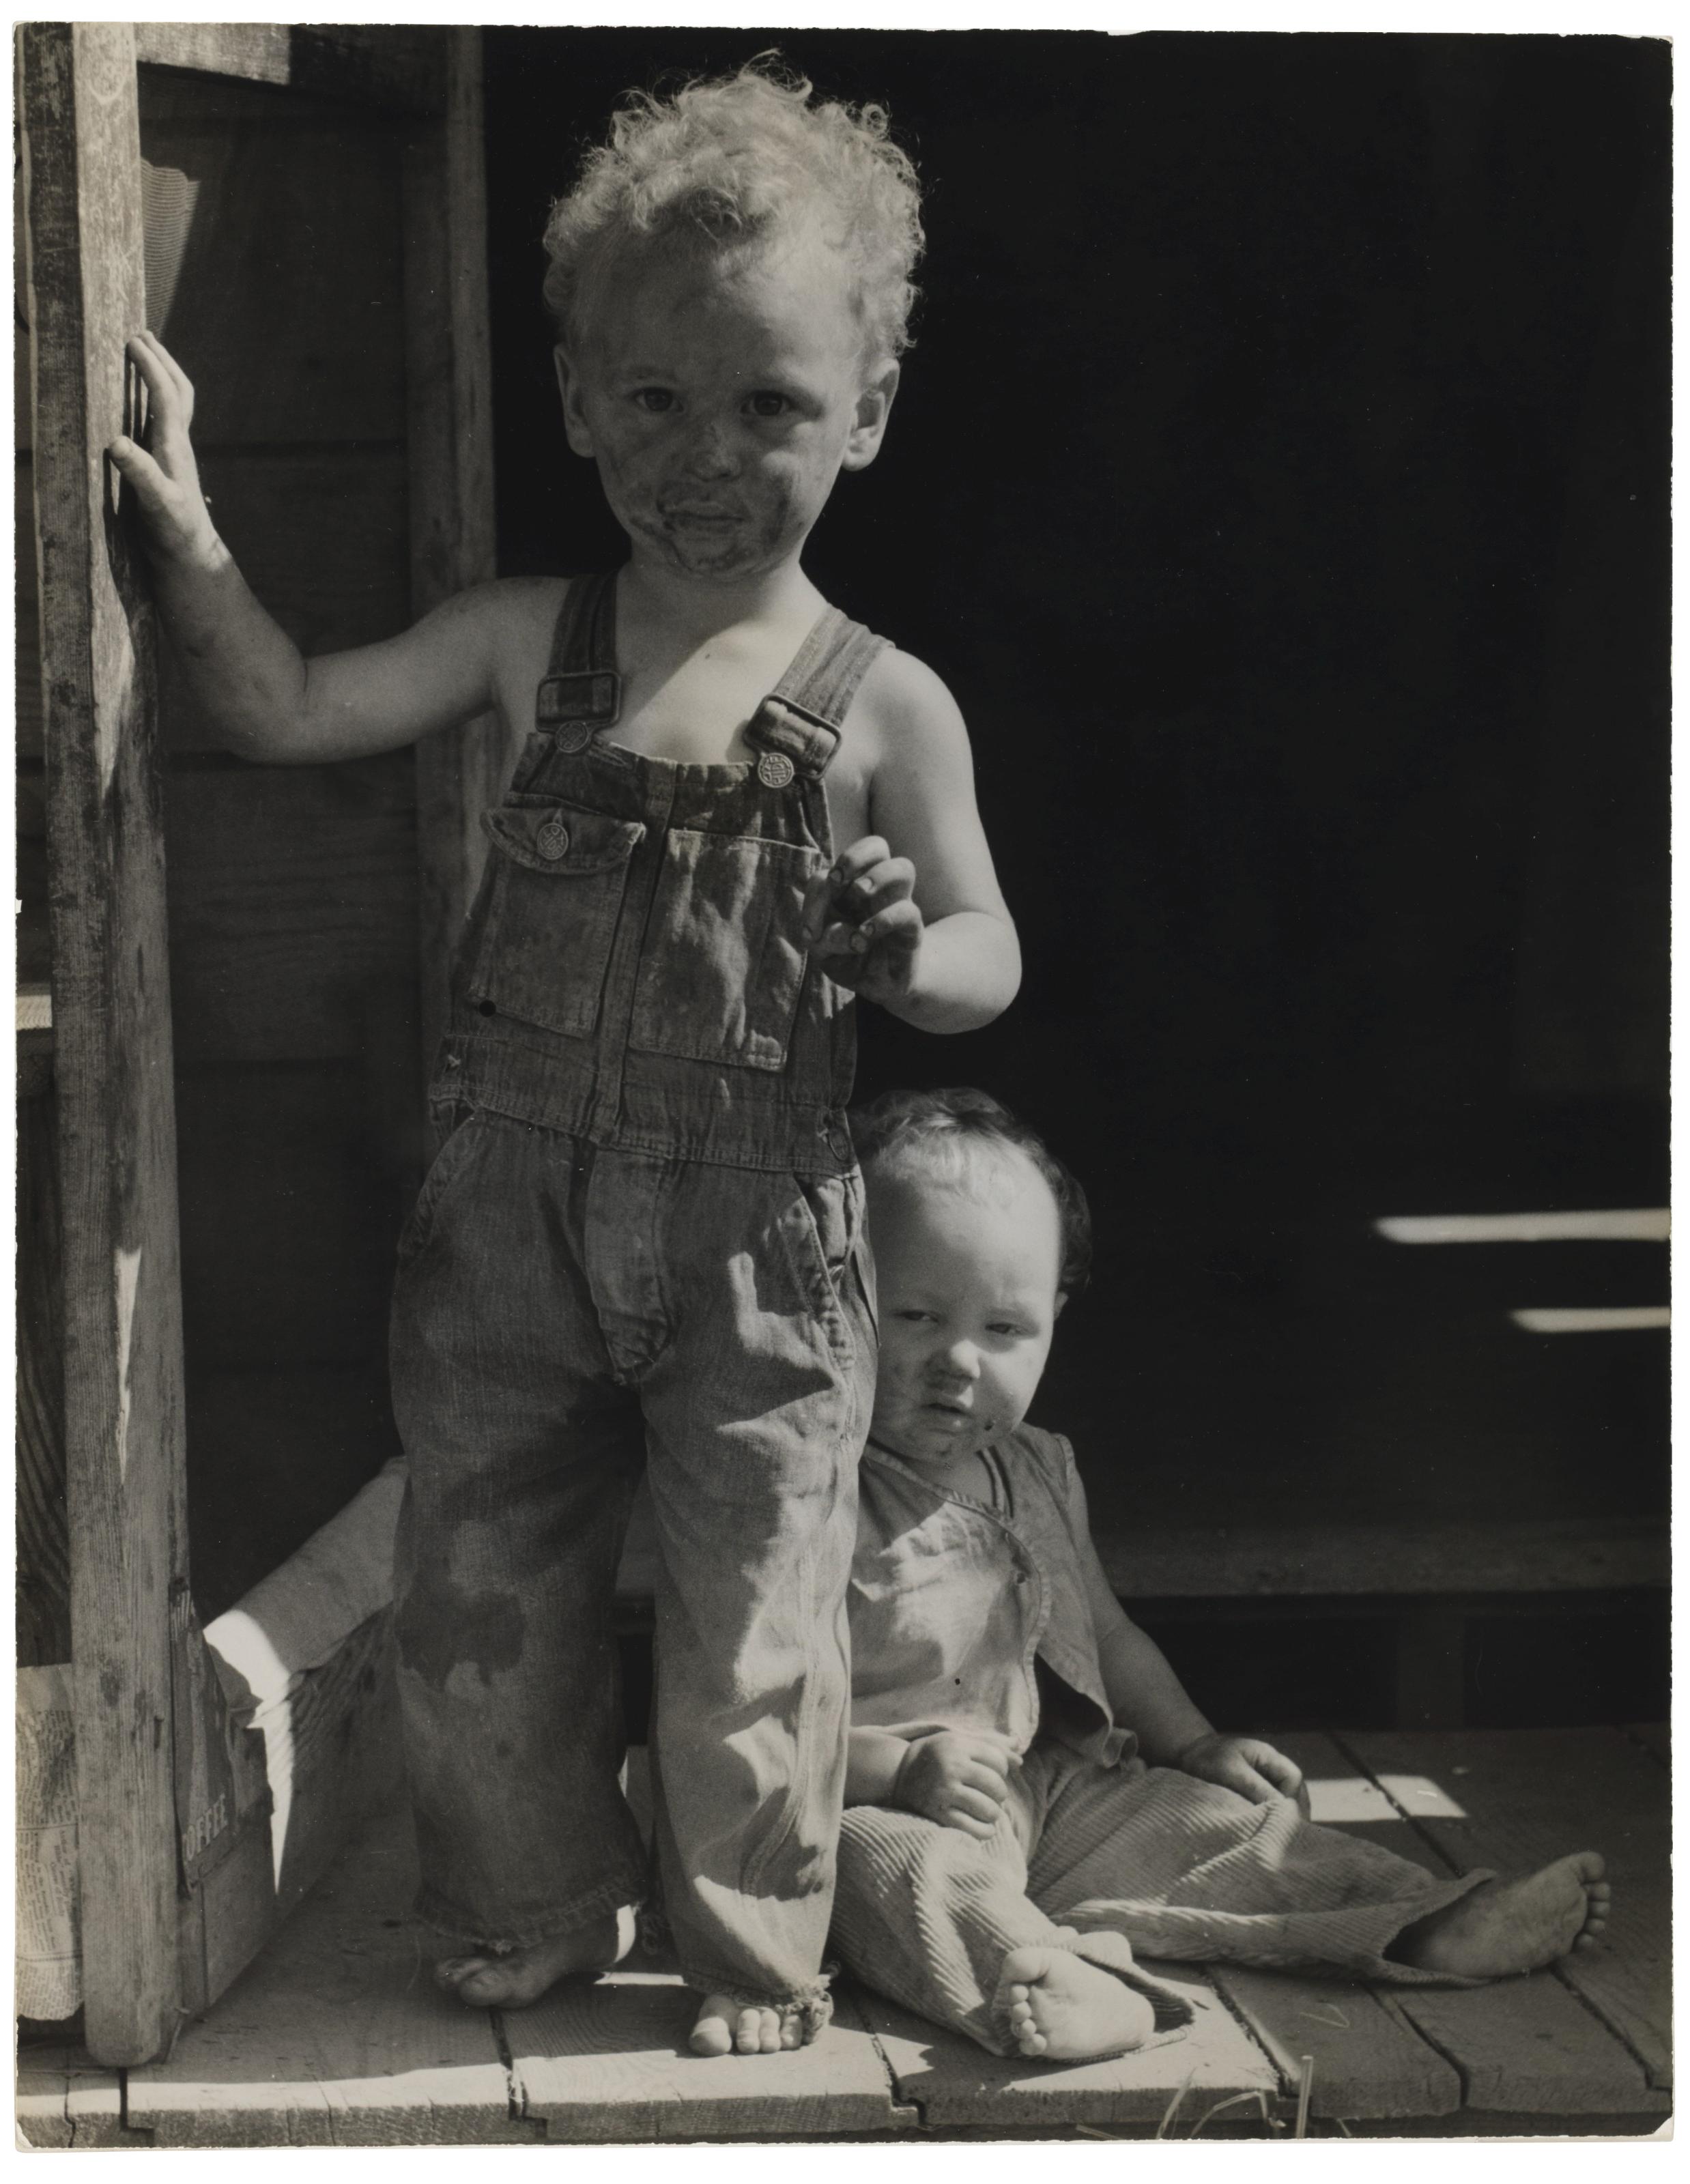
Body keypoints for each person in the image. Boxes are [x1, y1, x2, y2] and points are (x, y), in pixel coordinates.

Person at [109, 63, 1018, 2059]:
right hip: (506, 1216)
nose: (705, 455)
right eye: (653, 400)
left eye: (771, 404)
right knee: (480, 1587)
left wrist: (901, 948)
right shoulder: (530, 639)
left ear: (863, 411)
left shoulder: (888, 706)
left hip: (762, 1240)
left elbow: (985, 956)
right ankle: (525, 1899)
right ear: (577, 398)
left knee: (758, 1619)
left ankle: (750, 1946)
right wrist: (189, 544)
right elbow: (286, 712)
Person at [832, 1089, 1611, 2063]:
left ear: (1057, 1315)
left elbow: (1109, 1636)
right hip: (880, 1795)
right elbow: (761, 1723)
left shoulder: (1037, 1468)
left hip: (1060, 1789)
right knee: (897, 1877)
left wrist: (1194, 1745)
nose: (959, 1360)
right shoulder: (814, 1489)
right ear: (840, 1294)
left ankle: (1422, 1919)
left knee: (1225, 1831)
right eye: (915, 1314)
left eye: (1004, 1330)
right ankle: (1064, 1979)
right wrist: (896, 1767)